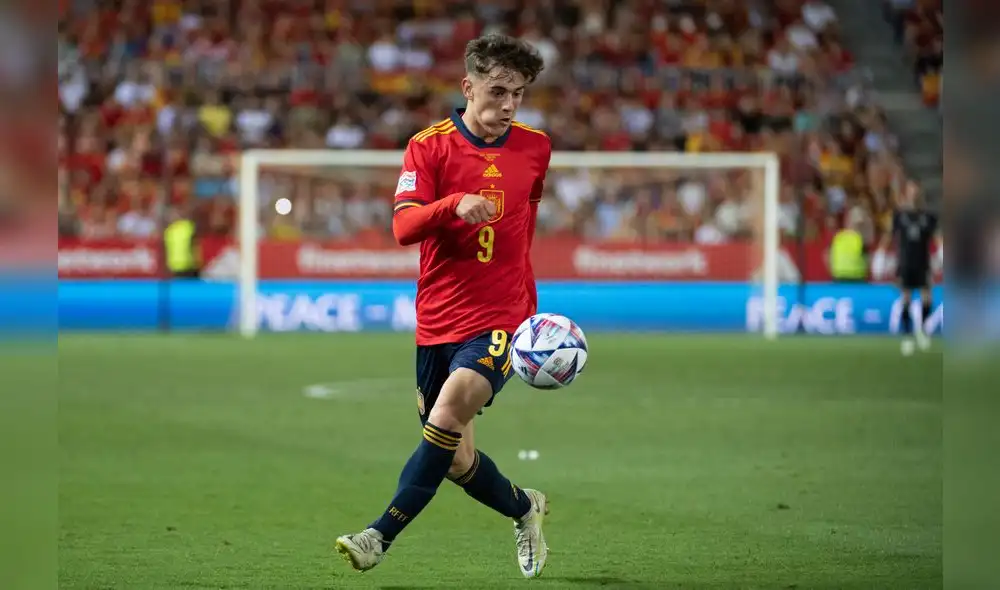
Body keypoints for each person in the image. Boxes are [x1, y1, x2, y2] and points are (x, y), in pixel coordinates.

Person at [334, 34, 552, 578]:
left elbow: (523, 229)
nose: (509, 105)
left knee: (448, 411)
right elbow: (403, 226)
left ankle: (378, 536)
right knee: (455, 458)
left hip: (502, 317)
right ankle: (525, 508)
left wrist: (528, 312)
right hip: (437, 320)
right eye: (498, 91)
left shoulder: (536, 148)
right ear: (468, 87)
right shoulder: (427, 147)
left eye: (518, 94)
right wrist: (452, 205)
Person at [882, 180, 940, 354]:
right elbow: (890, 236)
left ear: (919, 194)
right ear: (906, 193)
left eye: (915, 191)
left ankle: (921, 330)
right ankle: (907, 336)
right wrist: (881, 253)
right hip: (905, 262)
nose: (913, 194)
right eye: (910, 191)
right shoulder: (899, 216)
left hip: (923, 262)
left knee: (927, 298)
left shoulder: (928, 217)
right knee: (906, 298)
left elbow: (937, 237)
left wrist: (942, 252)